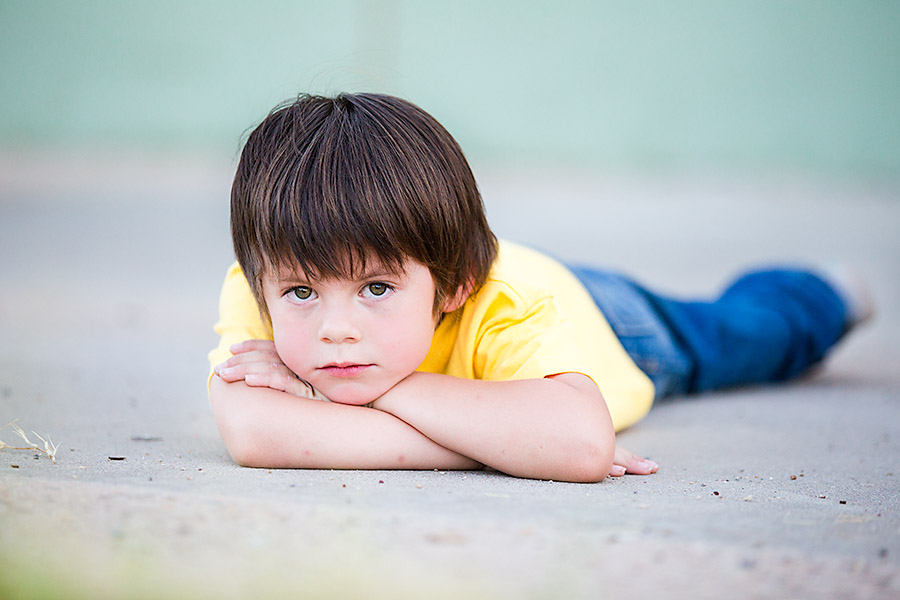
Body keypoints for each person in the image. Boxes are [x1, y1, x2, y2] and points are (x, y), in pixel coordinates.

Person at [208, 92, 871, 483]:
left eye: (376, 288)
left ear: (453, 286)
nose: (335, 328)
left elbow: (580, 446)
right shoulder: (265, 276)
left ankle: (823, 295)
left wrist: (382, 395)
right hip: (515, 299)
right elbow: (254, 435)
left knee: (741, 334)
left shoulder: (507, 303)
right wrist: (496, 445)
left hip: (612, 325)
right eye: (302, 295)